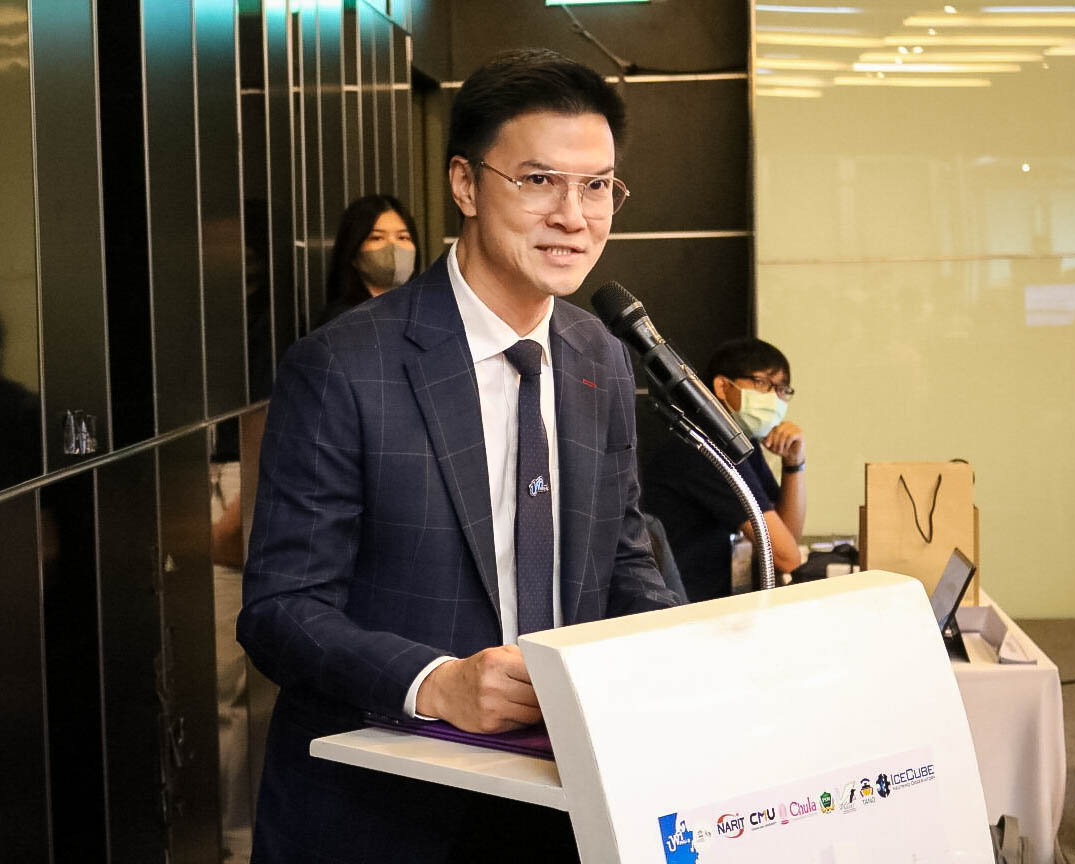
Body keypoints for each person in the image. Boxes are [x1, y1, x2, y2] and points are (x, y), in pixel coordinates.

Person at [237, 47, 678, 864]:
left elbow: (620, 556)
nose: (574, 216)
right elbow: (281, 611)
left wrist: (685, 651)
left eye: (597, 186)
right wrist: (437, 682)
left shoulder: (599, 355)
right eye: (539, 180)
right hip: (386, 815)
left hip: (564, 802)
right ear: (466, 185)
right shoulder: (344, 365)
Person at [642, 338, 807, 601]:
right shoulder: (705, 445)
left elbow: (787, 538)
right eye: (763, 383)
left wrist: (794, 463)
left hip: (720, 601)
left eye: (782, 389)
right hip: (683, 607)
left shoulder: (742, 444)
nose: (774, 398)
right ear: (722, 386)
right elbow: (786, 556)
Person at [314, 194, 420, 326]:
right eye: (377, 238)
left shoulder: (427, 310)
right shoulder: (340, 321)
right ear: (353, 250)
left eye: (403, 237)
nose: (394, 247)